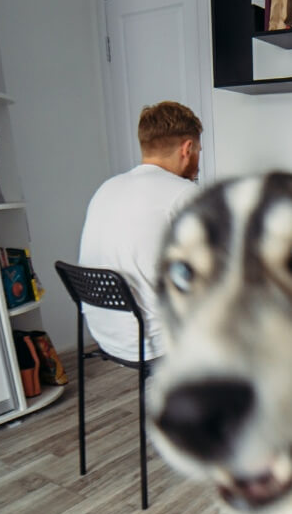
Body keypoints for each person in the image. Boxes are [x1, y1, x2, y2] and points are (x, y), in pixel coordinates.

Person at [78, 101, 203, 363]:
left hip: (106, 335)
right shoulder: (184, 194)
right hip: (153, 342)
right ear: (187, 148)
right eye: (198, 150)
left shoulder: (107, 188)